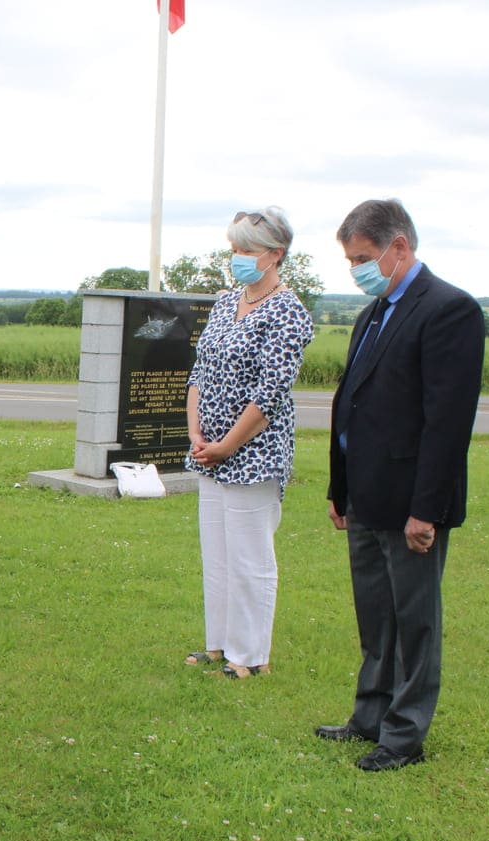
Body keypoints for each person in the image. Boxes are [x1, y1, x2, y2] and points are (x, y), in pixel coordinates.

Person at [317, 199, 484, 772]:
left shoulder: (448, 310)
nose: (356, 270)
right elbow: (352, 403)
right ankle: (369, 717)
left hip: (411, 502)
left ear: (400, 248)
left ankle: (404, 736)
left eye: (363, 258)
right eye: (350, 260)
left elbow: (447, 421)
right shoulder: (373, 312)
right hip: (365, 496)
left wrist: (427, 510)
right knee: (375, 616)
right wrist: (340, 490)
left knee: (414, 621)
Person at [183, 207, 314, 679]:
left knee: (249, 558)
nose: (236, 258)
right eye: (233, 249)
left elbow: (269, 393)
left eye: (246, 250)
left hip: (252, 454)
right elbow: (200, 372)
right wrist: (197, 433)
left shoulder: (288, 312)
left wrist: (228, 444)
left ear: (276, 255)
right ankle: (218, 644)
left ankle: (250, 655)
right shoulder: (225, 303)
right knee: (216, 554)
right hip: (209, 450)